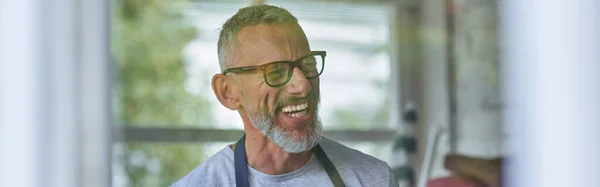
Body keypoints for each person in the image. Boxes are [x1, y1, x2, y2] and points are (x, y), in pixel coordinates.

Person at [171, 5, 398, 187]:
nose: (303, 86)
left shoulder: (374, 179)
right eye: (276, 71)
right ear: (227, 92)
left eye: (307, 64)